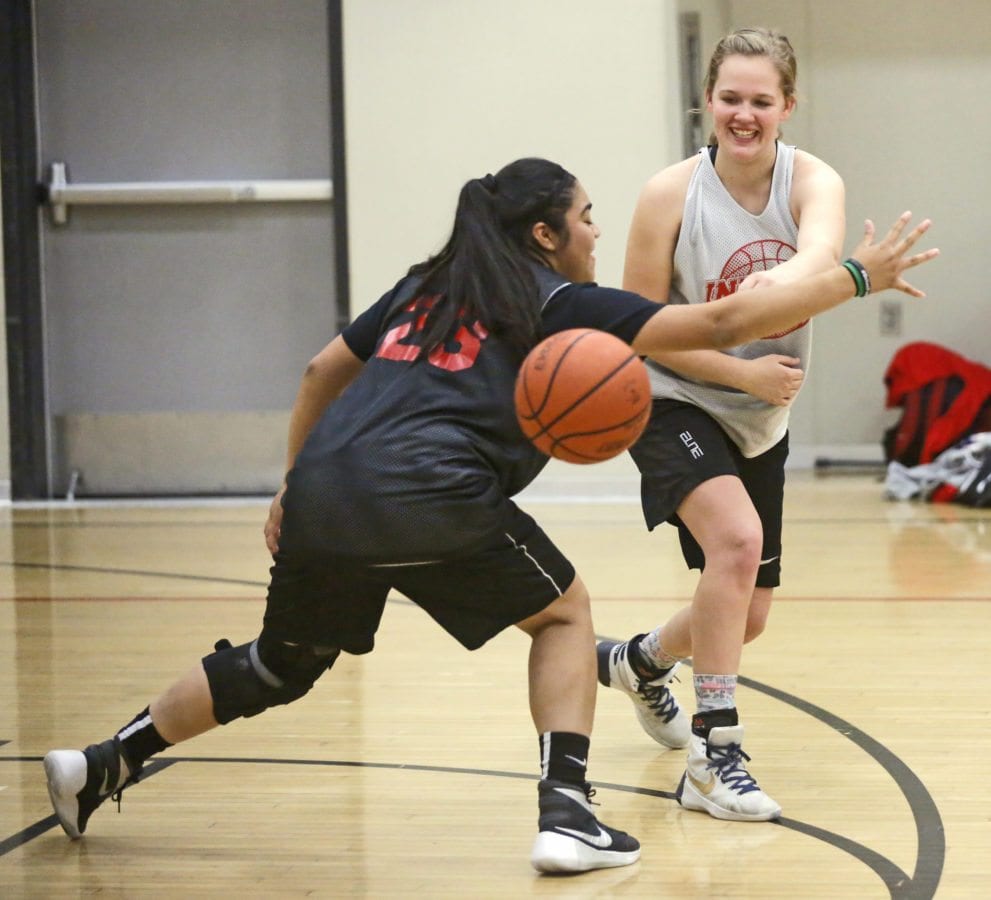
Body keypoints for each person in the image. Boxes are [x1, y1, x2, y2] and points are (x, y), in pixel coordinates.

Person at [42, 157, 934, 873]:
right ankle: (567, 815)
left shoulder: (425, 285)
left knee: (281, 664)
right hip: (430, 489)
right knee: (563, 612)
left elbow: (320, 373)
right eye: (584, 216)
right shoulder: (556, 300)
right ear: (545, 234)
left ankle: (102, 762)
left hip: (327, 488)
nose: (594, 229)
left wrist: (293, 485)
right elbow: (728, 317)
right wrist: (857, 276)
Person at [596, 27, 853, 822]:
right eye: (729, 98)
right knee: (735, 544)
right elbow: (639, 326)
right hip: (674, 397)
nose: (743, 114)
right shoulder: (668, 193)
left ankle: (639, 661)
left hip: (759, 417)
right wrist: (737, 361)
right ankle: (715, 755)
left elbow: (818, 256)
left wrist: (771, 317)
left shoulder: (812, 180)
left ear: (788, 106)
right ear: (707, 101)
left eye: (760, 101)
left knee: (748, 613)